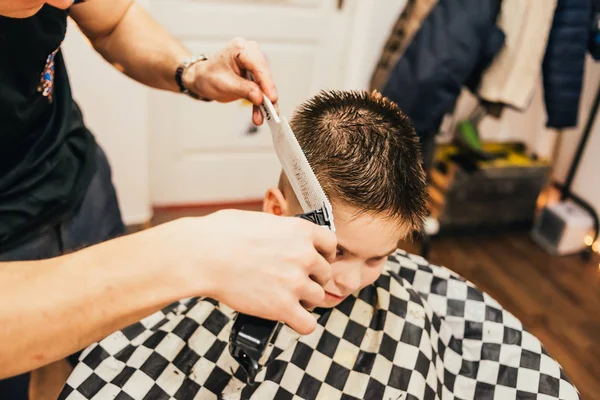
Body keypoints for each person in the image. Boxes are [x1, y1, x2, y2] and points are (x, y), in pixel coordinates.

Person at [61, 90, 579, 400]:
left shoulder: (418, 304)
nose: (351, 281)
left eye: (380, 257)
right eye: (338, 251)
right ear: (275, 208)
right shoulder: (205, 285)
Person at [0, 0, 336, 397]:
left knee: (112, 358)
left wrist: (192, 71)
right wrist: (192, 255)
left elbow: (113, 21)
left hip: (76, 177)